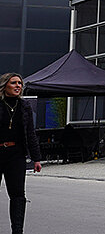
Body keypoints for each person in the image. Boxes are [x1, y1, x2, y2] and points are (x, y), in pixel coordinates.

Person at [0, 73, 41, 234]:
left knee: (17, 194)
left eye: (20, 83)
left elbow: (30, 133)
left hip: (16, 154)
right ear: (5, 86)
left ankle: (17, 230)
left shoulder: (24, 106)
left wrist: (36, 158)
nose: (18, 86)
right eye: (14, 83)